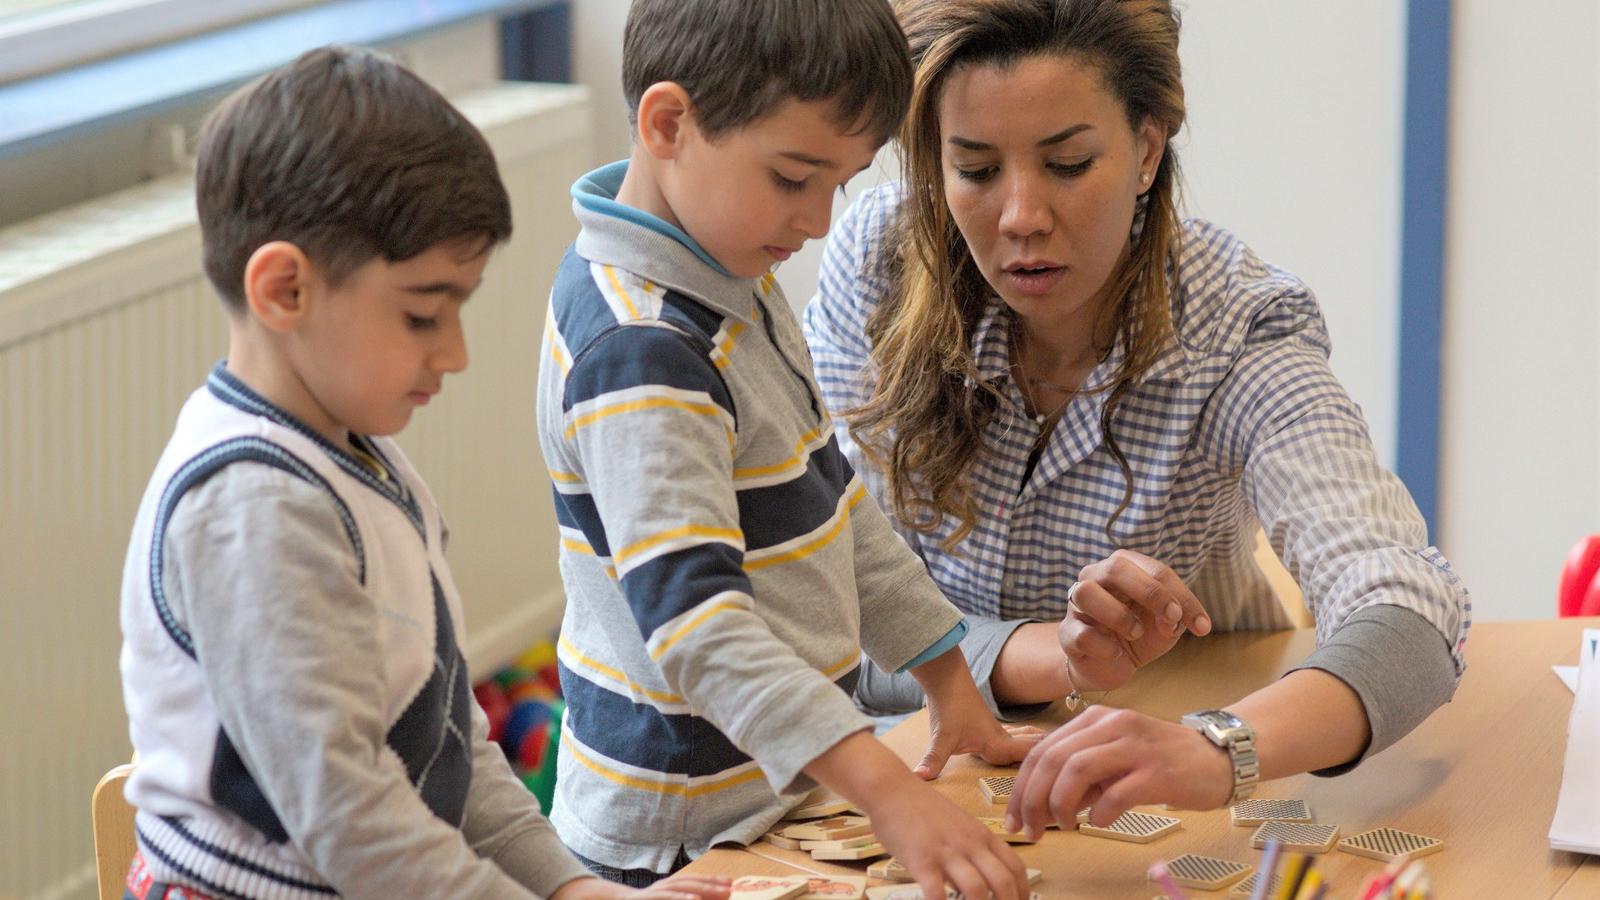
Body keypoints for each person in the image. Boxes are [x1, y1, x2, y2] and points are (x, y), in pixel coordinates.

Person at [804, 0, 1472, 838]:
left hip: (1176, 759)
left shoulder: (1237, 326)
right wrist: (1053, 654)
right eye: (974, 170)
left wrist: (1221, 747)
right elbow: (827, 619)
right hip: (929, 772)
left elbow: (1409, 612)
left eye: (1069, 163)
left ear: (1148, 147)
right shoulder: (875, 264)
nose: (1021, 216)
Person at [117, 46, 730, 900]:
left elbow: (450, 749)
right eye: (422, 314)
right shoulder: (252, 505)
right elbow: (351, 822)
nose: (455, 352)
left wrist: (572, 890)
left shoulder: (360, 457)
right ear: (284, 290)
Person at [535, 2, 1034, 898]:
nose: (816, 220)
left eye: (838, 183)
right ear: (668, 124)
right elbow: (696, 627)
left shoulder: (731, 272)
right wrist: (883, 785)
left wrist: (950, 687)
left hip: (781, 787)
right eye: (794, 177)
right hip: (682, 831)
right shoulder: (643, 351)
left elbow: (833, 503)